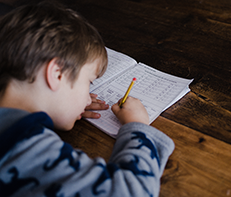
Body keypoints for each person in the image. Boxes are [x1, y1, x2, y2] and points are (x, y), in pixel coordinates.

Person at [0, 2, 174, 197]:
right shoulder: (23, 149)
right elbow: (134, 192)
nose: (87, 98)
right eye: (89, 82)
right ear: (57, 74)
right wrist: (138, 126)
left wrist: (57, 107)